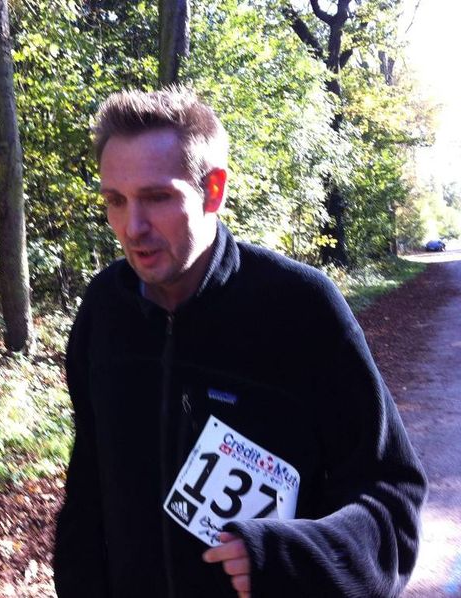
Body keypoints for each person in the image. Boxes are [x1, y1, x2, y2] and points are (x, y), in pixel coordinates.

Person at [53, 87, 427, 598]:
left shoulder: (300, 309)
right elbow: (88, 491)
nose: (131, 226)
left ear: (213, 190)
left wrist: (288, 560)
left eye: (157, 197)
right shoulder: (104, 311)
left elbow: (391, 500)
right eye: (116, 200)